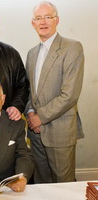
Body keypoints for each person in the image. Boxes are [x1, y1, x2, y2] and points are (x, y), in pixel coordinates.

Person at [25, 1, 84, 183]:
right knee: (41, 184)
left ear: (56, 20)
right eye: (38, 18)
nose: (43, 22)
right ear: (33, 23)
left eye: (48, 17)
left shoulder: (72, 47)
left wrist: (39, 117)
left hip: (60, 131)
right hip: (35, 133)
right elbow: (29, 91)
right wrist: (30, 112)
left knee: (63, 185)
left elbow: (69, 94)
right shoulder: (32, 53)